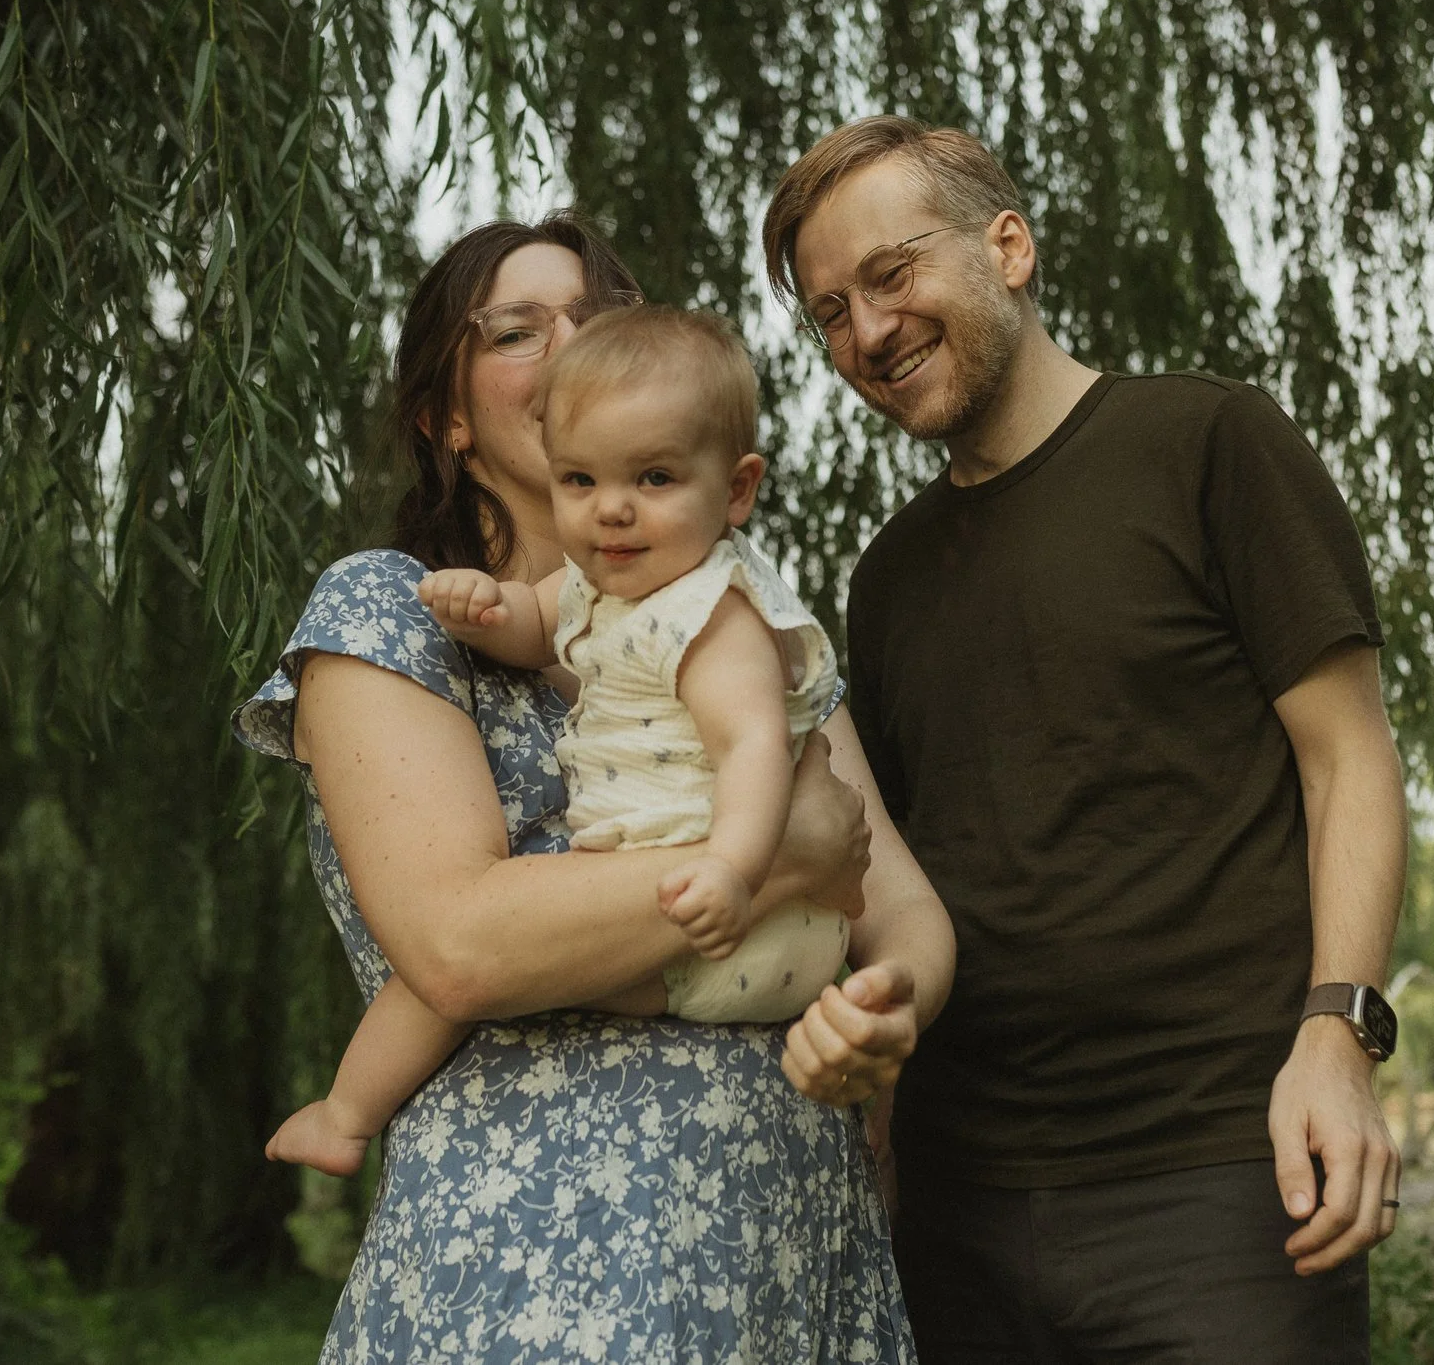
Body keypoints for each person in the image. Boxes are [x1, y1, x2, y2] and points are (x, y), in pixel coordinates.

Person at [232, 215, 951, 1362]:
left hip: (786, 1244)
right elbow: (462, 944)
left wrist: (887, 1008)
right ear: (447, 419)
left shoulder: (743, 612)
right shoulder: (390, 610)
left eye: (595, 316)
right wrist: (778, 860)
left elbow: (896, 904)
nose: (570, 344)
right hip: (536, 1271)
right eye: (520, 329)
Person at [761, 119, 1411, 1362]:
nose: (869, 333)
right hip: (961, 1208)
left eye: (892, 274)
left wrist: (1340, 1040)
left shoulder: (1210, 443)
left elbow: (1351, 760)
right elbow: (896, 884)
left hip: (1223, 1173)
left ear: (1007, 246)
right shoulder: (885, 579)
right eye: (831, 310)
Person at [266, 304, 863, 1174]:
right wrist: (481, 607)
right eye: (580, 480)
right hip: (675, 894)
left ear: (736, 490)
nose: (612, 509)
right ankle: (345, 1116)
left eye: (652, 478)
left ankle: (349, 1115)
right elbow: (531, 624)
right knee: (476, 969)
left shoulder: (716, 613)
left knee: (509, 974)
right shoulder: (593, 586)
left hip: (729, 920)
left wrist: (736, 868)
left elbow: (752, 747)